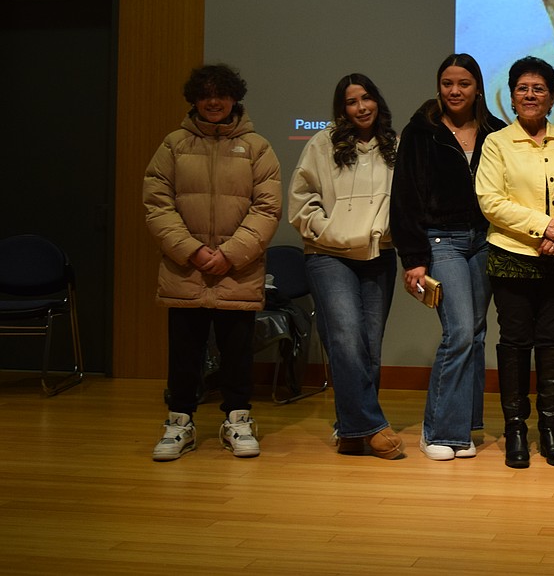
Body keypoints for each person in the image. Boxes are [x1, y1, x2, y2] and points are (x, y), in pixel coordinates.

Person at [143, 64, 281, 461]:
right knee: (184, 351)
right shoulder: (173, 144)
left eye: (221, 94)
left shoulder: (258, 147)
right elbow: (157, 204)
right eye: (205, 95)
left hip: (237, 269)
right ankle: (179, 422)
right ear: (194, 100)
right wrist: (193, 251)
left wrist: (230, 254)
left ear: (235, 97)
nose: (213, 101)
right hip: (185, 269)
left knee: (237, 351)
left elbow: (268, 208)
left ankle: (238, 420)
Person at [390, 54, 506, 460]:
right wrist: (414, 259)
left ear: (477, 88)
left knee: (475, 334)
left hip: (485, 241)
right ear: (438, 87)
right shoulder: (421, 132)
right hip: (442, 242)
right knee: (457, 332)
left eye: (463, 83)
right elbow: (404, 199)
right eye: (447, 83)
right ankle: (438, 430)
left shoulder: (496, 132)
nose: (454, 91)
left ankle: (464, 426)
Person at [288, 74, 403, 460]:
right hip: (327, 254)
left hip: (378, 253)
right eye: (352, 102)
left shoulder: (395, 146)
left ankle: (352, 431)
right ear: (342, 109)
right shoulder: (322, 143)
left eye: (367, 98)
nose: (361, 107)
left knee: (369, 346)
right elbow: (301, 198)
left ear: (377, 101)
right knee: (345, 338)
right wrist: (328, 230)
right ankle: (372, 425)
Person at [475, 56, 554, 469]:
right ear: (513, 96)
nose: (531, 95)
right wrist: (544, 227)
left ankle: (551, 428)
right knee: (516, 340)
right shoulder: (496, 143)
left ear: (552, 96)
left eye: (539, 88)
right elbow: (490, 200)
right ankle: (516, 428)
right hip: (511, 253)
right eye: (523, 88)